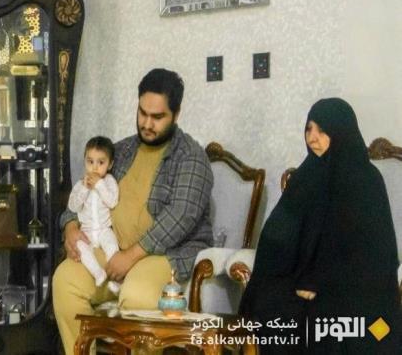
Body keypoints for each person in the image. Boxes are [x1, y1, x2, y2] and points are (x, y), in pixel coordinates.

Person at [53, 68, 213, 354]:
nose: (147, 124)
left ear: (176, 114)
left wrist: (131, 256)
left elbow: (181, 216)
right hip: (112, 248)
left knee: (138, 294)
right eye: (142, 113)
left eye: (157, 117)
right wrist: (70, 226)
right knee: (65, 280)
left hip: (164, 256)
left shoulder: (192, 158)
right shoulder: (121, 151)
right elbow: (83, 193)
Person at [240, 98, 401, 354]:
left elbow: (374, 254)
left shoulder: (366, 180)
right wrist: (295, 277)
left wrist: (318, 281)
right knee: (269, 301)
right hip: (304, 280)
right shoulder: (305, 177)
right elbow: (277, 236)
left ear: (341, 132)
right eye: (309, 129)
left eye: (322, 130)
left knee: (330, 315)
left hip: (354, 286)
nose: (312, 138)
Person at [67, 136, 121, 294]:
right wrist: (85, 188)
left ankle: (116, 281)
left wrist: (99, 184)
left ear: (110, 164)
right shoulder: (80, 184)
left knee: (112, 247)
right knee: (80, 247)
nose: (95, 168)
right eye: (90, 162)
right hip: (87, 231)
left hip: (104, 229)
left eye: (101, 162)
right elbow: (73, 206)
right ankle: (99, 274)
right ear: (85, 161)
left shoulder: (109, 182)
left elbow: (112, 202)